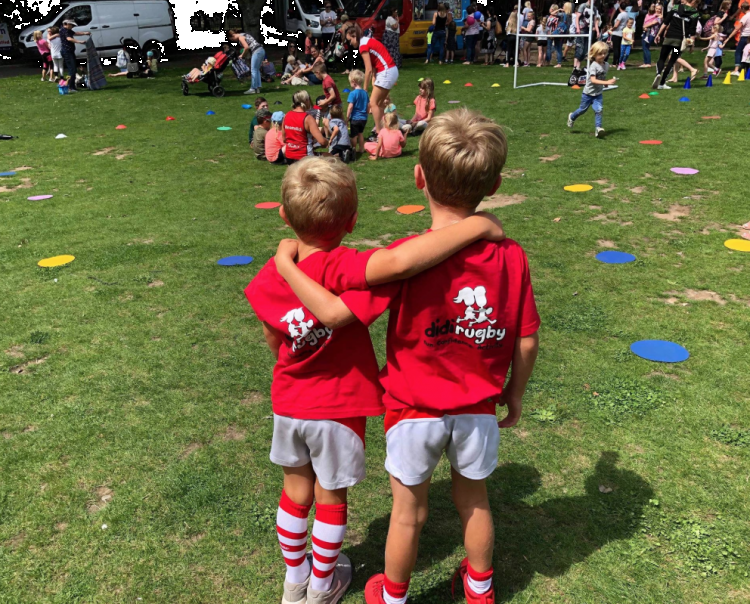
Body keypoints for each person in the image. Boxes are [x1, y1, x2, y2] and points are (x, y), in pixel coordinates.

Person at [273, 108, 539, 604]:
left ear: (419, 177)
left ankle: (392, 596)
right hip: (478, 407)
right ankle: (480, 590)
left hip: (412, 408)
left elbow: (341, 303)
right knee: (475, 503)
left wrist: (287, 263)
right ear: (497, 182)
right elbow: (526, 339)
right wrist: (515, 394)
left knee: (407, 514)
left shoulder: (405, 259)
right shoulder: (512, 255)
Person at [345, 24, 398, 135]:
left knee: (373, 103)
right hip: (391, 70)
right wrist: (374, 81)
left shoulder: (362, 45)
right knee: (379, 104)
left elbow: (368, 68)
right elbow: (373, 66)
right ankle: (387, 129)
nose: (350, 43)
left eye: (350, 40)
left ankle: (380, 133)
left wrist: (364, 89)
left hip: (386, 71)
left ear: (354, 36)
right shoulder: (368, 40)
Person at [567, 41, 616, 138]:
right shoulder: (593, 66)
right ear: (594, 54)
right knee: (582, 110)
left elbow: (601, 77)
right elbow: (593, 80)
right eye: (600, 54)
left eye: (604, 53)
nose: (603, 55)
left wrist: (605, 84)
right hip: (588, 94)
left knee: (599, 110)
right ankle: (572, 117)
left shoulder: (606, 65)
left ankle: (598, 129)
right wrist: (607, 82)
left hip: (598, 94)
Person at [653, 0, 699, 90]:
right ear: (693, 2)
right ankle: (662, 83)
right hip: (679, 39)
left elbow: (666, 22)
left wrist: (658, 34)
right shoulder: (695, 13)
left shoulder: (676, 7)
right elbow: (692, 31)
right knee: (672, 61)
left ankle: (658, 73)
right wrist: (692, 45)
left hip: (669, 36)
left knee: (662, 58)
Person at [283, 90, 328, 164]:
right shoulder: (308, 118)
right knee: (332, 158)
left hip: (289, 157)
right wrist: (328, 142)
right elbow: (322, 142)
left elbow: (284, 139)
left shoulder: (286, 116)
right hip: (305, 157)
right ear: (306, 101)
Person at [229, 29, 265, 95]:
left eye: (232, 39)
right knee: (256, 70)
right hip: (261, 50)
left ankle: (253, 88)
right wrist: (244, 55)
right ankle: (257, 88)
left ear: (232, 36)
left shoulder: (240, 37)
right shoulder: (244, 34)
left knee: (253, 70)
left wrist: (242, 55)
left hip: (257, 51)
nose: (233, 41)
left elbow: (246, 47)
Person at [59, 20, 91, 93]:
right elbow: (69, 39)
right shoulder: (65, 30)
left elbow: (75, 33)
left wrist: (85, 33)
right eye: (71, 25)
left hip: (69, 52)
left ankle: (72, 86)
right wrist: (80, 42)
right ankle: (71, 87)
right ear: (66, 24)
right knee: (72, 70)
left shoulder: (68, 30)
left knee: (73, 69)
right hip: (67, 52)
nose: (72, 27)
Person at [721, 1, 750, 75]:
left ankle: (736, 70)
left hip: (745, 37)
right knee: (747, 53)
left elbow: (737, 29)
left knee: (738, 52)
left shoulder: (745, 17)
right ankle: (745, 69)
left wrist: (728, 38)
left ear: (743, 8)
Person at [346, 69, 369, 155]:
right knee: (360, 133)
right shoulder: (365, 93)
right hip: (364, 118)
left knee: (354, 135)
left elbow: (350, 107)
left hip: (355, 118)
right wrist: (366, 113)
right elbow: (368, 105)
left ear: (353, 82)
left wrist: (347, 118)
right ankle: (362, 149)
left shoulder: (353, 93)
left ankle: (354, 149)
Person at [574, 0, 599, 70]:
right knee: (580, 48)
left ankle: (578, 66)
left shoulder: (594, 8)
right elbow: (577, 17)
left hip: (589, 30)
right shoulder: (583, 6)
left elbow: (595, 20)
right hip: (582, 29)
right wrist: (578, 28)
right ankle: (575, 67)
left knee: (586, 49)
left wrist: (597, 30)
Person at [640, 3, 662, 67]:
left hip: (651, 34)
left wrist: (644, 26)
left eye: (659, 9)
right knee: (644, 47)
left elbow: (653, 23)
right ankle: (645, 62)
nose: (658, 10)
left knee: (646, 47)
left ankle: (648, 63)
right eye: (657, 8)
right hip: (646, 32)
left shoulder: (660, 17)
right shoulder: (652, 15)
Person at [610, 5, 629, 71]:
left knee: (616, 49)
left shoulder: (620, 15)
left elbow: (616, 25)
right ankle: (619, 62)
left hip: (616, 33)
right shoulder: (627, 14)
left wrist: (611, 29)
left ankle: (615, 63)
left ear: (619, 8)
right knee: (620, 49)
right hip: (622, 33)